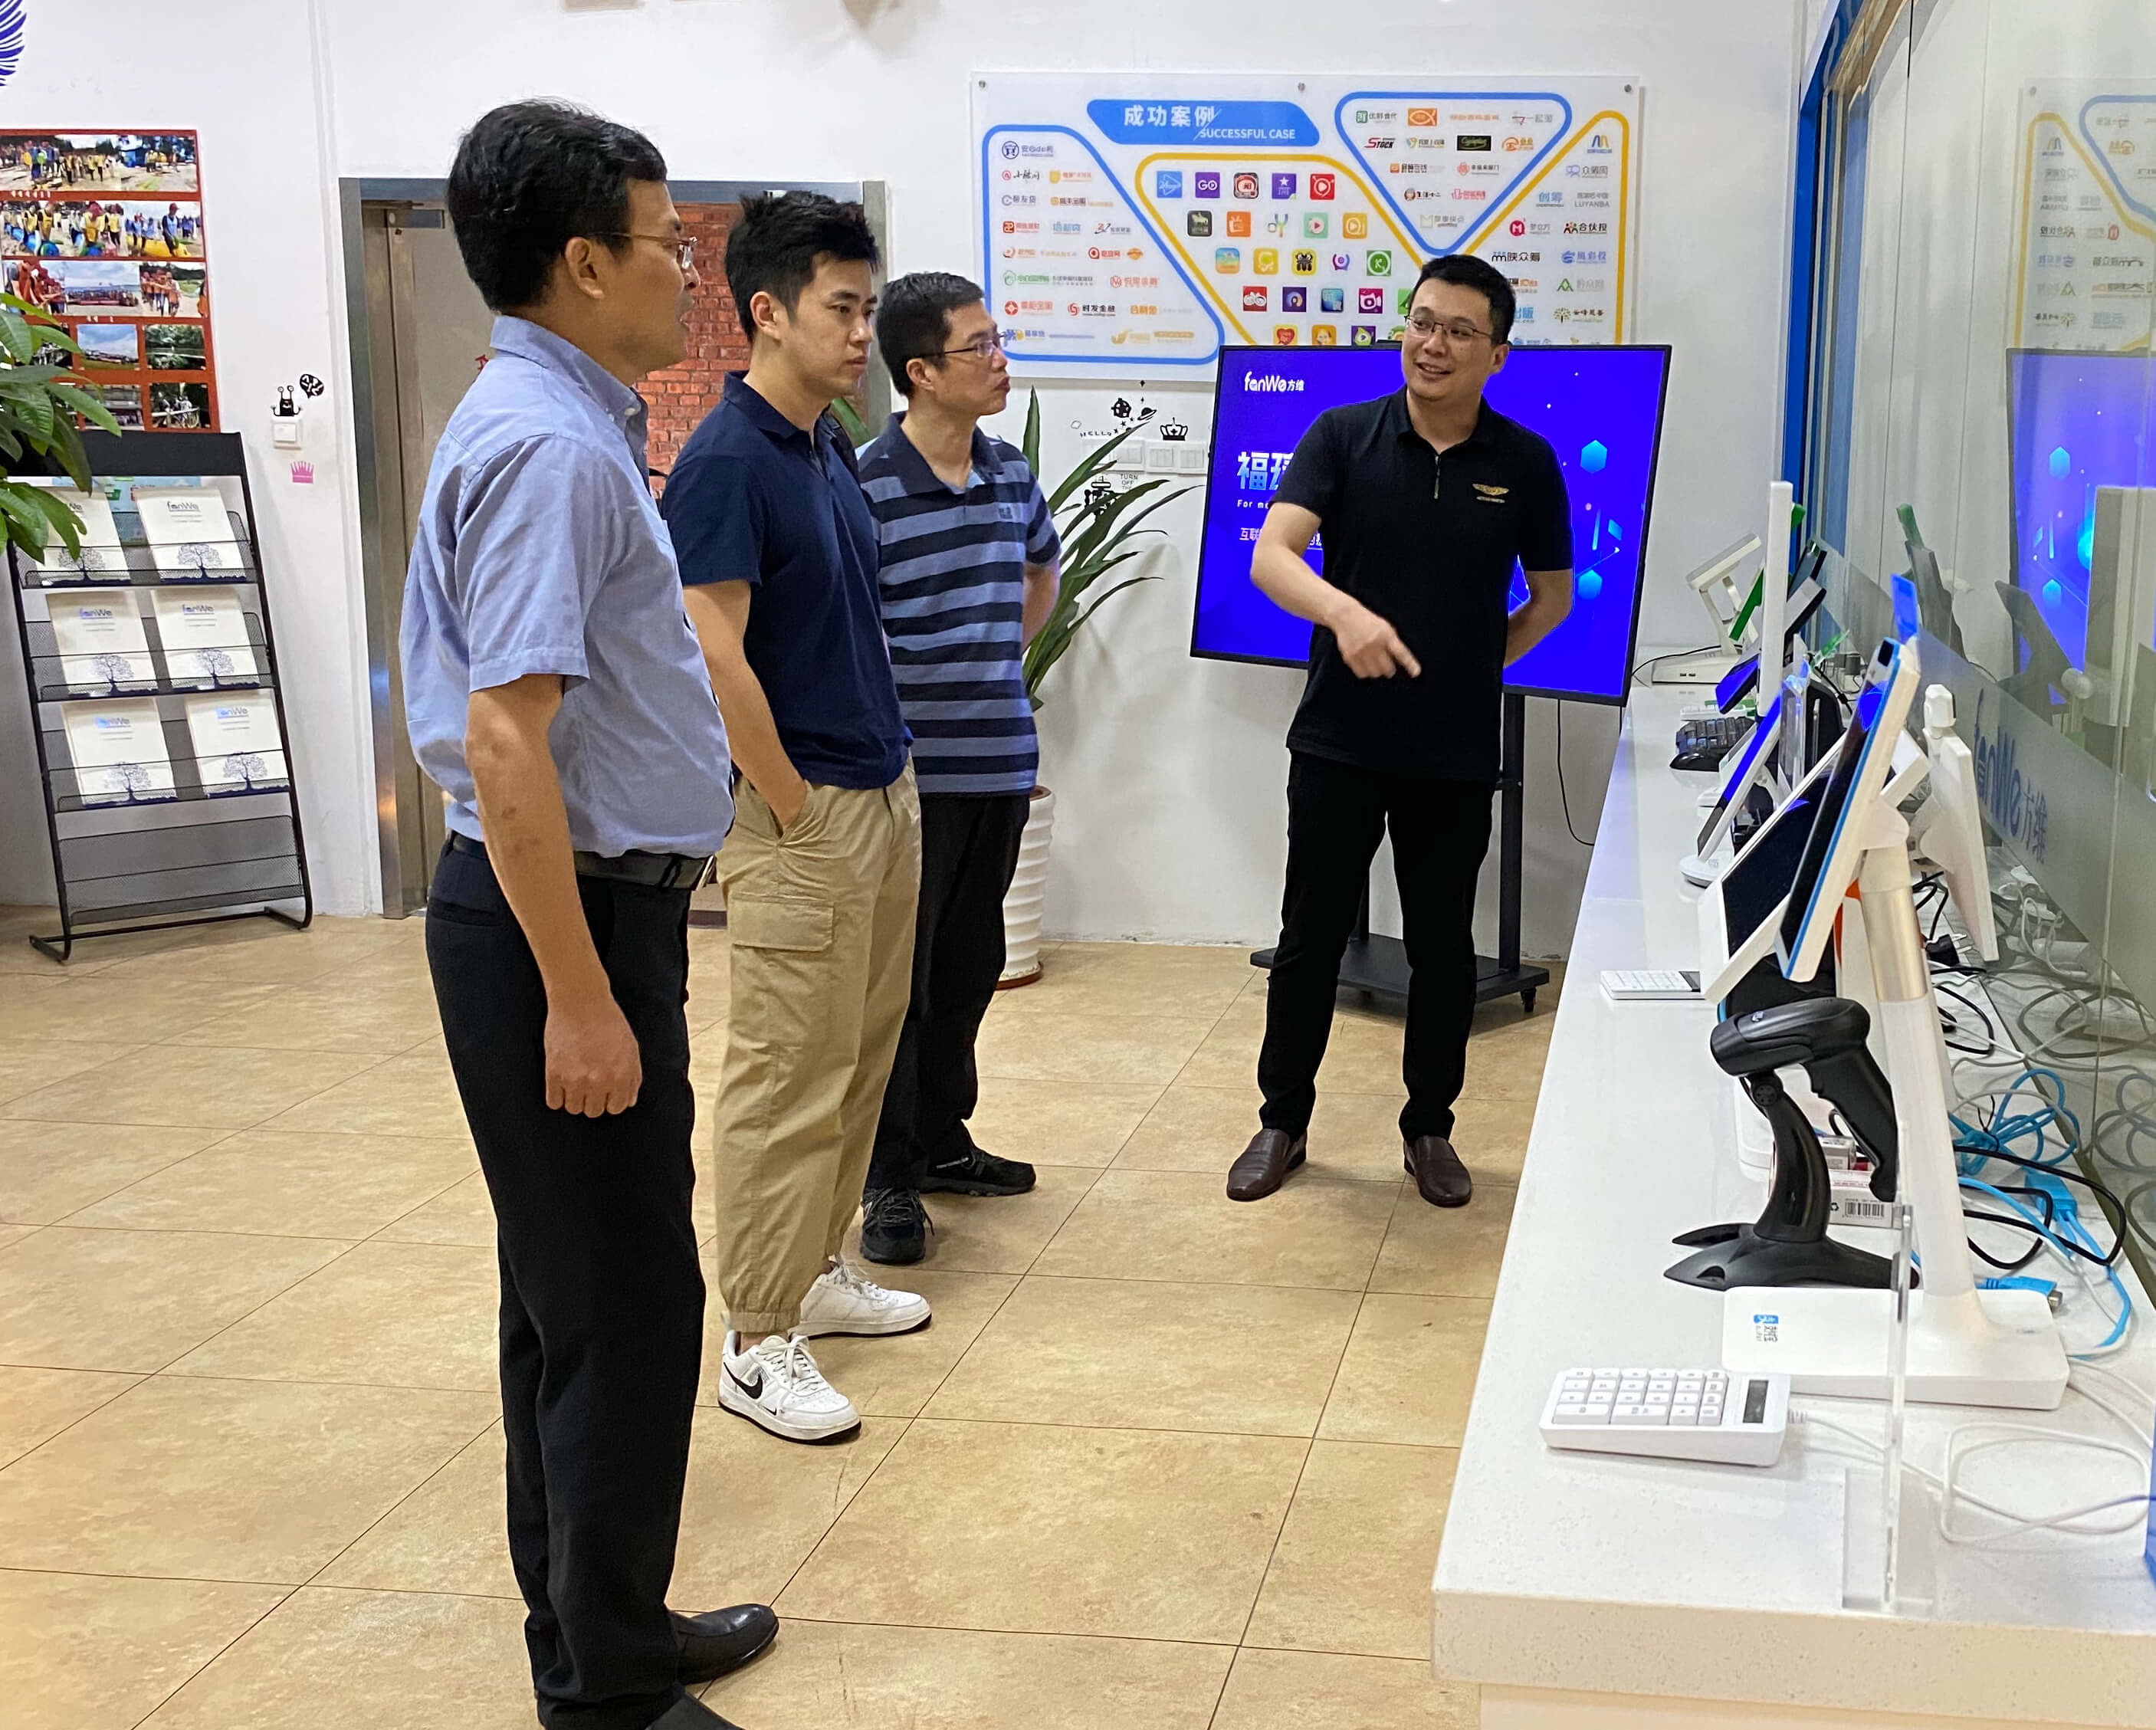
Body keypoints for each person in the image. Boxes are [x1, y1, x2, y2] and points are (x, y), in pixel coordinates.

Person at [401, 100, 773, 1730]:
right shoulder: (551, 446)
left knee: (571, 1303)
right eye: (663, 242)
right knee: (619, 1312)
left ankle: (600, 1627)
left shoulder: (555, 417)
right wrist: (577, 994)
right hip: (558, 927)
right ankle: (605, 1691)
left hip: (574, 914)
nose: (687, 269)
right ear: (580, 262)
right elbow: (507, 737)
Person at [1226, 254, 1574, 1210]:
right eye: (1421, 322)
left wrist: (1475, 662)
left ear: (1495, 355)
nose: (1433, 344)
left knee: (1442, 950)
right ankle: (1281, 1120)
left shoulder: (1523, 462)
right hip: (1336, 740)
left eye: (1459, 330)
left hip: (1451, 753)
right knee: (1308, 941)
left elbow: (1550, 598)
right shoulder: (1342, 435)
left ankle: (1429, 1128)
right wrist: (1343, 614)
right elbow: (1272, 556)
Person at [664, 192, 930, 1444]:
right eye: (842, 309)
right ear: (766, 312)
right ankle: (756, 1337)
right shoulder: (726, 460)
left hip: (878, 790)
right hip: (805, 811)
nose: (861, 333)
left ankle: (817, 1271)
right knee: (784, 1076)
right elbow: (710, 649)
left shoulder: (823, 446)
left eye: (869, 309)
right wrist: (788, 800)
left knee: (857, 1057)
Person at [848, 272, 1059, 1265]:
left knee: (971, 968)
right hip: (907, 783)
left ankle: (941, 1139)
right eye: (979, 347)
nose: (999, 360)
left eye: (996, 339)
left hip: (999, 765)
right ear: (921, 371)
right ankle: (886, 1178)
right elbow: (846, 623)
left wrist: (994, 661)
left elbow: (1041, 575)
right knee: (902, 984)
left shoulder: (1010, 472)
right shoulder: (865, 482)